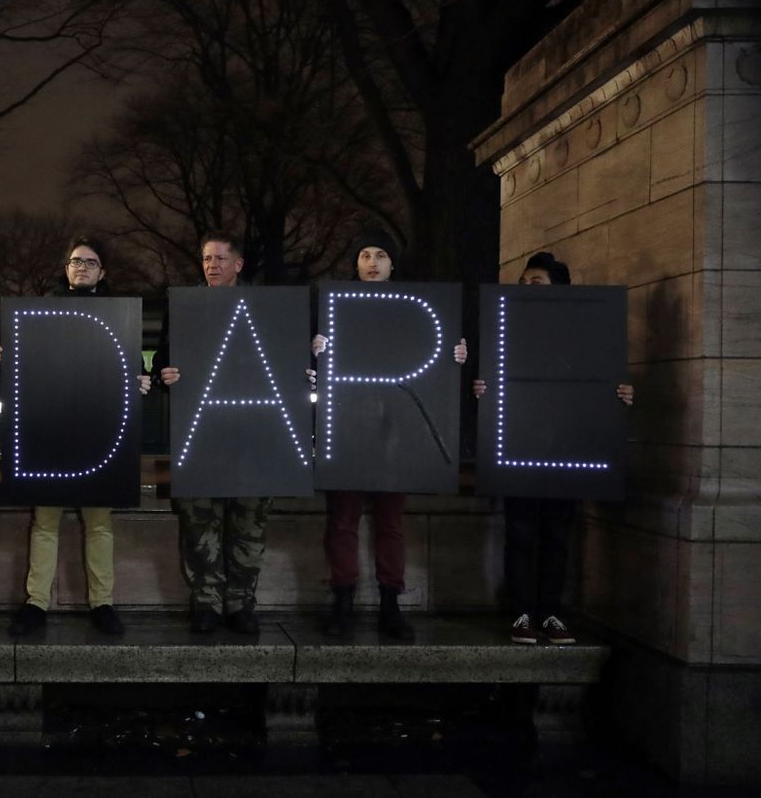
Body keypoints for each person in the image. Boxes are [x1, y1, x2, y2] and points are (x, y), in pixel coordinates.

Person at [311, 228, 468, 641]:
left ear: (392, 263)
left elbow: (433, 363)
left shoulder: (410, 309)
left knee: (389, 522)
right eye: (365, 254)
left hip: (395, 431)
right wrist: (313, 350)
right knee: (343, 521)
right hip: (348, 426)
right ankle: (344, 600)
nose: (373, 262)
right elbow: (309, 364)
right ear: (355, 263)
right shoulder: (334, 309)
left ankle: (389, 602)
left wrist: (455, 355)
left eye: (380, 254)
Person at [472, 251, 634, 645]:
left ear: (559, 290)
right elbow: (492, 376)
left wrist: (620, 394)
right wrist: (483, 389)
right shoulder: (507, 328)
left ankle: (550, 613)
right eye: (524, 282)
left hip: (565, 450)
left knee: (557, 537)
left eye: (537, 283)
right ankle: (524, 613)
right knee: (522, 534)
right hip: (521, 448)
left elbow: (598, 379)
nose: (527, 288)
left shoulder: (579, 333)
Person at [6, 237, 152, 637]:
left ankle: (101, 603)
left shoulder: (119, 315)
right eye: (75, 261)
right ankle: (37, 603)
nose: (82, 267)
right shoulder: (43, 311)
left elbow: (135, 369)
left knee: (97, 523)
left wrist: (140, 381)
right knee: (46, 522)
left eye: (90, 262)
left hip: (98, 430)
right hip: (54, 429)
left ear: (102, 272)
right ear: (66, 269)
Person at [153, 231, 273, 635]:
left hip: (252, 433)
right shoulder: (184, 306)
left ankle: (241, 602)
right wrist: (164, 374)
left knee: (248, 520)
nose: (212, 266)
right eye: (206, 258)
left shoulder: (264, 308)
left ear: (238, 264)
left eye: (220, 258)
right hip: (200, 432)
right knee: (199, 520)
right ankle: (206, 601)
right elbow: (162, 363)